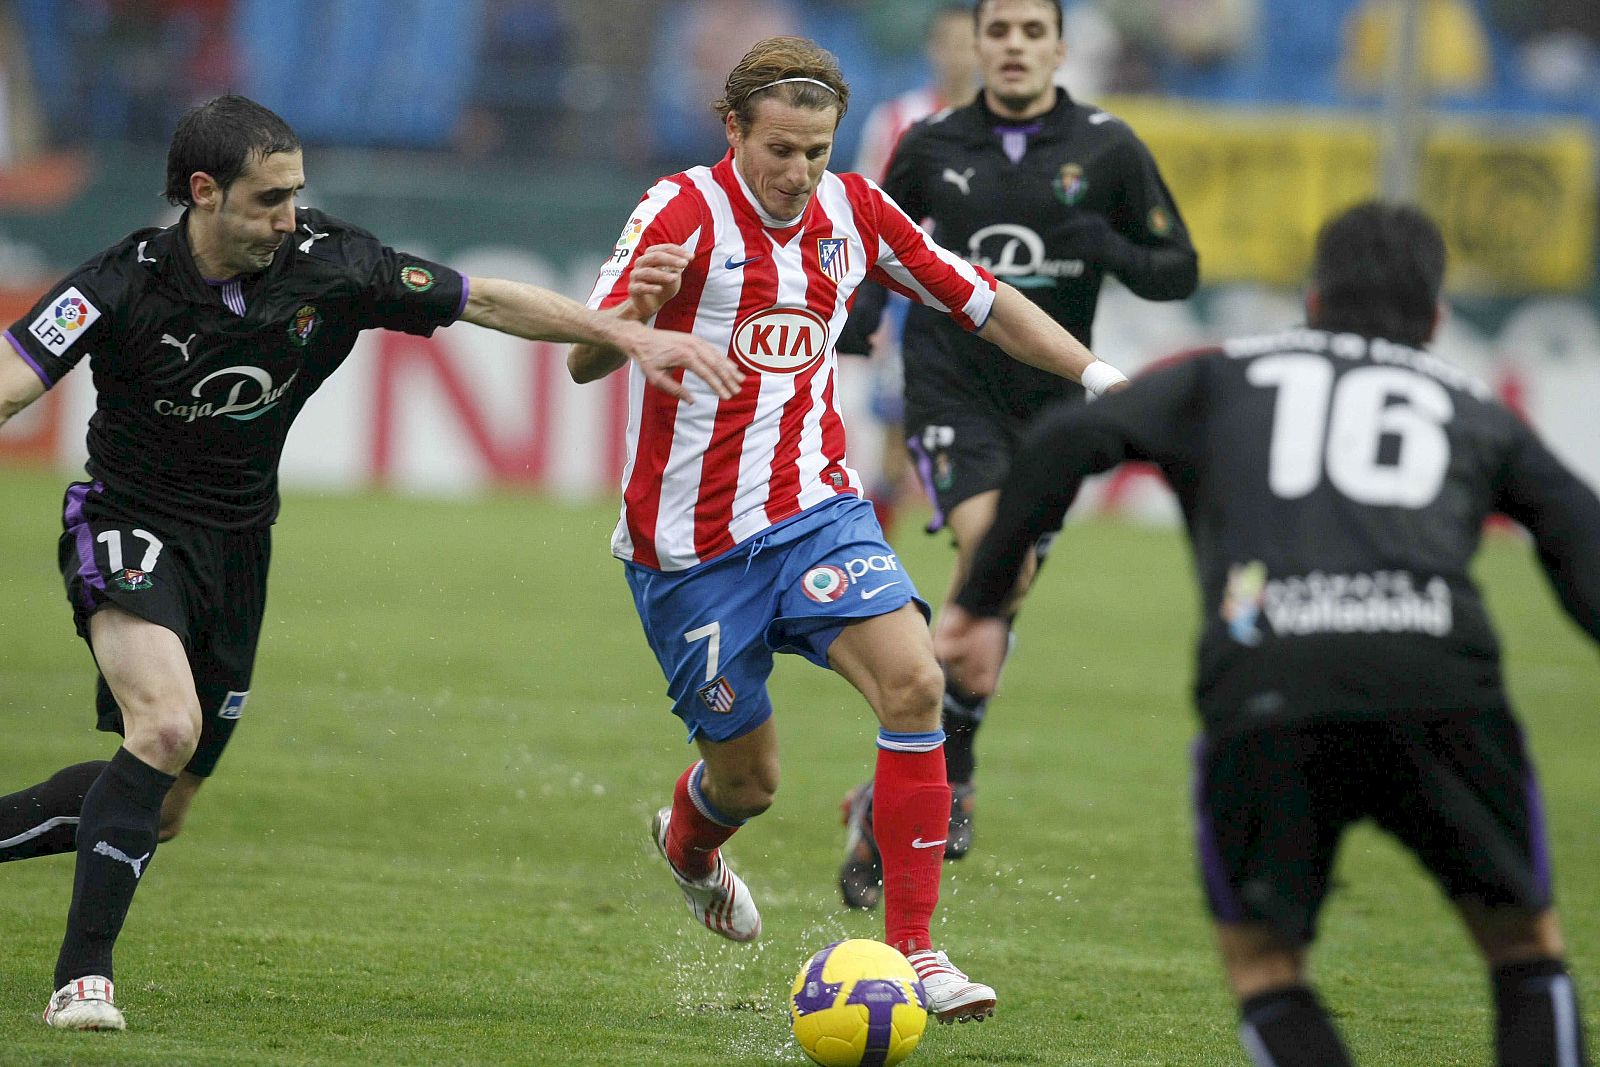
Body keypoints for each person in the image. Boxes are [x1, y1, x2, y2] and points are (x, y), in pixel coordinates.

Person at [0, 93, 739, 1032]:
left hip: (239, 546)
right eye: (270, 199)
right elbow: (13, 380)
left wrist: (623, 331)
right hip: (127, 522)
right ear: (203, 192)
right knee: (166, 724)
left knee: (166, 804)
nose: (290, 216)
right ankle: (82, 979)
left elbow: (487, 299)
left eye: (296, 193)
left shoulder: (332, 263)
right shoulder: (121, 280)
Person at [938, 201, 1595, 1066]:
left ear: (1312, 299)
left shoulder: (1223, 376)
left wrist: (981, 605)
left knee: (1265, 967)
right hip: (1439, 676)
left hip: (1270, 684)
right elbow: (1578, 533)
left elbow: (1069, 438)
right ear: (1436, 319)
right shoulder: (1472, 407)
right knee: (1524, 949)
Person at [566, 34, 1130, 1024]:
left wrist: (1097, 375)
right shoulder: (678, 209)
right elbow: (584, 358)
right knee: (749, 782)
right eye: (779, 149)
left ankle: (915, 948)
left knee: (916, 682)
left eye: (816, 150)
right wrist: (633, 319)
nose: (798, 172)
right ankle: (689, 844)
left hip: (816, 511)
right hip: (689, 551)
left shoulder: (855, 211)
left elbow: (985, 301)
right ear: (733, 129)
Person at [833, 0, 1198, 910]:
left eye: (1033, 32)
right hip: (950, 390)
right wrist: (859, 323)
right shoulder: (929, 144)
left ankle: (891, 788)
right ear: (977, 45)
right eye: (999, 31)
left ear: (1060, 48)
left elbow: (1178, 268)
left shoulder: (1108, 148)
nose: (1013, 46)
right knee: (997, 550)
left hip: (1053, 407)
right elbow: (877, 245)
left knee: (998, 595)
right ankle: (948, 774)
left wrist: (1107, 246)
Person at [844, 3, 977, 536]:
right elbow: (864, 206)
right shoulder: (897, 118)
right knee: (897, 438)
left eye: (969, 43)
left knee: (983, 435)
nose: (959, 55)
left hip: (985, 294)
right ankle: (877, 554)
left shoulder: (1007, 124)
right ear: (932, 49)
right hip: (912, 301)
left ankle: (987, 558)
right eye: (949, 43)